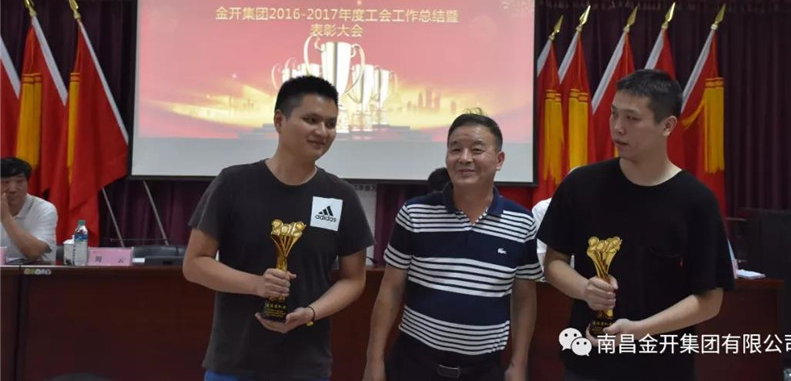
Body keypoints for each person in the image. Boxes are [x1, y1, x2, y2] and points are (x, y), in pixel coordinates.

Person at [538, 69, 734, 381]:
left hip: (663, 367)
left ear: (667, 125)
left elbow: (710, 300)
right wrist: (584, 289)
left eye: (631, 118)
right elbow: (553, 263)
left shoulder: (696, 200)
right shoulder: (580, 185)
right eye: (614, 114)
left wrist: (640, 331)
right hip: (587, 362)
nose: (617, 127)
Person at [184, 75, 374, 381]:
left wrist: (311, 312)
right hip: (234, 362)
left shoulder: (341, 196)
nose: (322, 132)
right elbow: (195, 264)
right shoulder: (233, 183)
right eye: (311, 120)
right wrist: (257, 285)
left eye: (330, 124)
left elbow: (354, 279)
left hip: (305, 365)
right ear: (279, 121)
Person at [363, 112, 541, 381]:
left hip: (484, 371)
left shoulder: (521, 222)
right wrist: (374, 360)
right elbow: (390, 289)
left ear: (499, 160)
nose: (464, 158)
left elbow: (524, 298)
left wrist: (519, 363)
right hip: (414, 366)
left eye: (477, 150)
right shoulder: (415, 213)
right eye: (455, 149)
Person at [0, 157, 57, 263]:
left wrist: (6, 217)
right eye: (5, 182)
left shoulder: (44, 209)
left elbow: (34, 252)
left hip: (36, 272)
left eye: (19, 181)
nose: (12, 189)